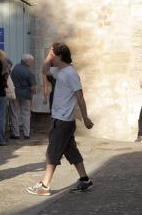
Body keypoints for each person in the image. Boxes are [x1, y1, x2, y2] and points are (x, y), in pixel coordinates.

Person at [27, 42, 94, 196]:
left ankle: (45, 185)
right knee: (70, 150)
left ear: (60, 56)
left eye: (53, 54)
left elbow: (80, 96)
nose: (50, 57)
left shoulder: (70, 73)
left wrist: (85, 117)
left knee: (53, 152)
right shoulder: (59, 71)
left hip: (63, 120)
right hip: (61, 118)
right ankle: (84, 180)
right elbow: (44, 70)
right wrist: (48, 56)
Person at [9, 54, 36, 140]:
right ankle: (26, 134)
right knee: (26, 114)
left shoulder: (15, 68)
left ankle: (16, 134)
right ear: (27, 61)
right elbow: (33, 87)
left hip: (15, 94)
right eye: (32, 61)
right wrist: (33, 92)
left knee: (14, 113)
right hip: (26, 95)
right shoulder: (29, 72)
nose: (33, 63)